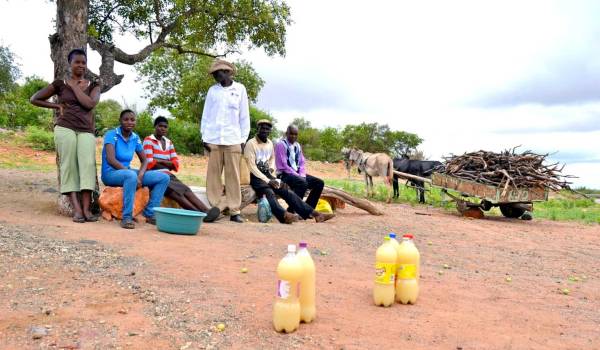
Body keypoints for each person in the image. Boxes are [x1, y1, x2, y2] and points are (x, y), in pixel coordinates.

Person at [30, 48, 101, 223]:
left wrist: (74, 87)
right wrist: (57, 106)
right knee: (68, 166)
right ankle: (77, 210)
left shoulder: (94, 85)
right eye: (77, 62)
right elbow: (34, 99)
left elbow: (90, 103)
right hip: (65, 128)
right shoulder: (60, 84)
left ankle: (86, 209)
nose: (81, 65)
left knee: (87, 166)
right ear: (70, 64)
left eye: (83, 62)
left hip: (86, 130)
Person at [244, 120, 335, 224]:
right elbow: (251, 167)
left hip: (268, 175)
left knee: (287, 191)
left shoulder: (269, 143)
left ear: (270, 131)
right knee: (269, 192)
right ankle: (284, 216)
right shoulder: (251, 144)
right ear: (258, 129)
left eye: (267, 129)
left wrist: (273, 178)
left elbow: (271, 161)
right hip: (255, 177)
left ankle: (316, 214)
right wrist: (268, 181)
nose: (265, 131)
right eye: (262, 128)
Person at [101, 110, 170, 229]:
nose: (129, 122)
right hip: (110, 173)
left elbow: (145, 160)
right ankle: (126, 217)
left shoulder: (135, 137)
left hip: (128, 173)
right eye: (126, 119)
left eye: (132, 120)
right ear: (120, 121)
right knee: (130, 175)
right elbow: (111, 159)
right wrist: (130, 174)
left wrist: (141, 176)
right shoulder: (112, 135)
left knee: (163, 177)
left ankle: (150, 213)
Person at [200, 59, 250, 223]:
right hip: (213, 139)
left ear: (228, 72)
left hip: (233, 139)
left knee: (233, 177)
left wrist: (242, 140)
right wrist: (204, 137)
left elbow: (244, 117)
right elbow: (206, 116)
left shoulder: (240, 89)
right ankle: (215, 207)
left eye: (218, 73)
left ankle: (235, 211)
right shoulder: (212, 91)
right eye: (214, 74)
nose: (215, 76)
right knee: (213, 176)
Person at [143, 117, 220, 222]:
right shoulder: (148, 141)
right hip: (155, 176)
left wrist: (159, 161)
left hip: (168, 175)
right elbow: (150, 163)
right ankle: (200, 214)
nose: (163, 129)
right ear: (155, 127)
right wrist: (167, 163)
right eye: (160, 126)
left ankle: (205, 210)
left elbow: (176, 164)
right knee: (177, 194)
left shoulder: (169, 142)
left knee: (186, 190)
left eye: (165, 127)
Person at [275, 125, 324, 213]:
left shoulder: (297, 145)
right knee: (302, 183)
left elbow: (301, 162)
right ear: (286, 133)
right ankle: (292, 210)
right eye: (291, 134)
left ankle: (309, 209)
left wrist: (302, 175)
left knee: (319, 183)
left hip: (296, 174)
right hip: (284, 175)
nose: (293, 136)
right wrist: (299, 176)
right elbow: (284, 165)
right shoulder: (281, 145)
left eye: (295, 134)